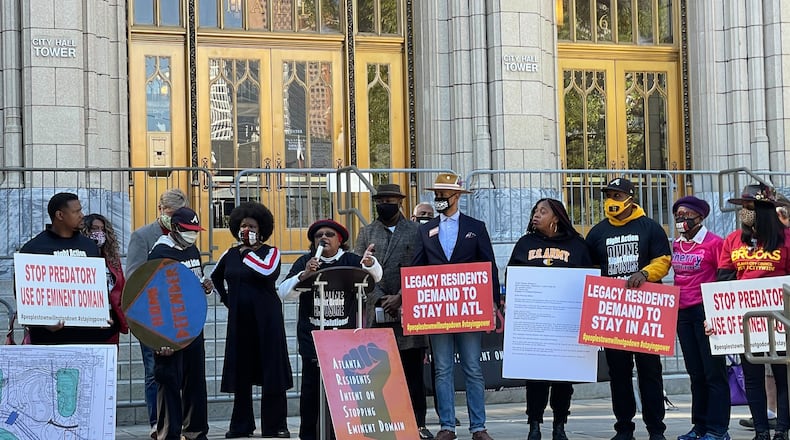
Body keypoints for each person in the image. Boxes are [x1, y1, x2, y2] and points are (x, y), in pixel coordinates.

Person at [411, 173, 500, 440]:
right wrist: (411, 300)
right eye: (436, 194)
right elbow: (417, 267)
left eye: (443, 194)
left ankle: (478, 426)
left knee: (472, 366)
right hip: (438, 309)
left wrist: (493, 302)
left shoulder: (476, 226)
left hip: (469, 307)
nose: (438, 199)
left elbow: (489, 266)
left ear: (457, 196)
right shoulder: (425, 230)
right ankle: (447, 425)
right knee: (443, 368)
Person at [278, 219, 382, 440]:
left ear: (340, 240)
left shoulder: (351, 260)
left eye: (329, 234)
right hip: (313, 340)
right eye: (318, 236)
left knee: (344, 395)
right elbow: (283, 292)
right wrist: (303, 275)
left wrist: (370, 263)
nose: (323, 238)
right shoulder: (306, 262)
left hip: (346, 342)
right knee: (311, 394)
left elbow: (375, 277)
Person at [584, 177, 671, 440]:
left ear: (630, 198)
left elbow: (664, 260)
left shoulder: (650, 228)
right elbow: (589, 269)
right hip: (613, 314)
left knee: (650, 372)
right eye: (609, 195)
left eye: (618, 195)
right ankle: (624, 428)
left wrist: (645, 273)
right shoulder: (597, 233)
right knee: (619, 373)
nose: (612, 201)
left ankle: (656, 429)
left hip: (644, 313)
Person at [506, 198, 593, 440]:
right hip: (535, 325)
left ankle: (559, 425)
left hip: (566, 324)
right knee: (535, 378)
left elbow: (588, 280)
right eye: (535, 210)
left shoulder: (577, 245)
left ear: (556, 217)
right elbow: (512, 276)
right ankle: (534, 424)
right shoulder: (525, 244)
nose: (536, 214)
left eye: (543, 211)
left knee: (563, 380)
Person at [354, 184, 433, 440]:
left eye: (390, 199)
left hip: (409, 310)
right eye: (381, 200)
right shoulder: (366, 232)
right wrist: (378, 299)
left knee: (413, 375)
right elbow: (359, 271)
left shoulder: (417, 231)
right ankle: (386, 424)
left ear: (400, 202)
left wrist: (402, 296)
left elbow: (424, 268)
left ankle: (418, 423)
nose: (384, 204)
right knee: (381, 373)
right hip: (377, 309)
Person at [211, 202, 292, 439]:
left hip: (267, 320)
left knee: (272, 371)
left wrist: (248, 253)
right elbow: (216, 277)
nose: (246, 229)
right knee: (242, 371)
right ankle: (241, 425)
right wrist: (227, 300)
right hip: (240, 321)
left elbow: (267, 272)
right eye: (243, 225)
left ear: (261, 229)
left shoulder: (271, 252)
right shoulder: (229, 254)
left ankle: (275, 426)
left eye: (252, 226)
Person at [716, 183, 790, 440]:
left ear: (765, 210)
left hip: (781, 319)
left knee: (783, 376)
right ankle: (761, 430)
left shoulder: (786, 238)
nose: (744, 212)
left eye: (749, 207)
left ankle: (782, 428)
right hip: (746, 321)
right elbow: (723, 279)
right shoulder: (733, 241)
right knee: (753, 377)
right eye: (743, 207)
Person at [126, 188, 188, 437]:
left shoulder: (185, 234)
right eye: (171, 214)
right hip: (151, 313)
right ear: (160, 210)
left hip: (180, 313)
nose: (174, 219)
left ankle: (178, 421)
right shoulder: (142, 236)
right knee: (154, 370)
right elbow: (133, 275)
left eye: (179, 215)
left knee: (181, 371)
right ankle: (156, 422)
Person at [19, 192, 118, 344]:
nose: (82, 215)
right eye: (76, 211)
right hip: (50, 342)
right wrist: (42, 323)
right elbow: (23, 296)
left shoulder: (89, 246)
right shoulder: (34, 248)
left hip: (89, 340)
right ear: (60, 215)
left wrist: (102, 315)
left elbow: (97, 288)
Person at [148, 207, 212, 440]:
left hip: (193, 324)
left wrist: (205, 284)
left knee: (195, 381)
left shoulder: (191, 248)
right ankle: (169, 433)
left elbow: (195, 276)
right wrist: (158, 336)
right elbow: (153, 295)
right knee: (169, 382)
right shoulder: (160, 252)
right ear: (174, 228)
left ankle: (196, 432)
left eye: (195, 231)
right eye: (187, 231)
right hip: (169, 327)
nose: (192, 235)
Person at [669, 196, 729, 440]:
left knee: (713, 373)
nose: (681, 219)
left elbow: (725, 275)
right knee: (696, 373)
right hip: (682, 312)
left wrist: (718, 313)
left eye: (686, 214)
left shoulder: (715, 243)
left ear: (700, 217)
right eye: (678, 214)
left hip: (706, 311)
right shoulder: (676, 244)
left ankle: (718, 429)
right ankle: (700, 427)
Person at [82, 213, 129, 345]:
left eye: (103, 230)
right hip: (87, 320)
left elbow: (121, 287)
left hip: (111, 320)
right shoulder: (79, 257)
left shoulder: (112, 258)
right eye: (95, 229)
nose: (100, 233)